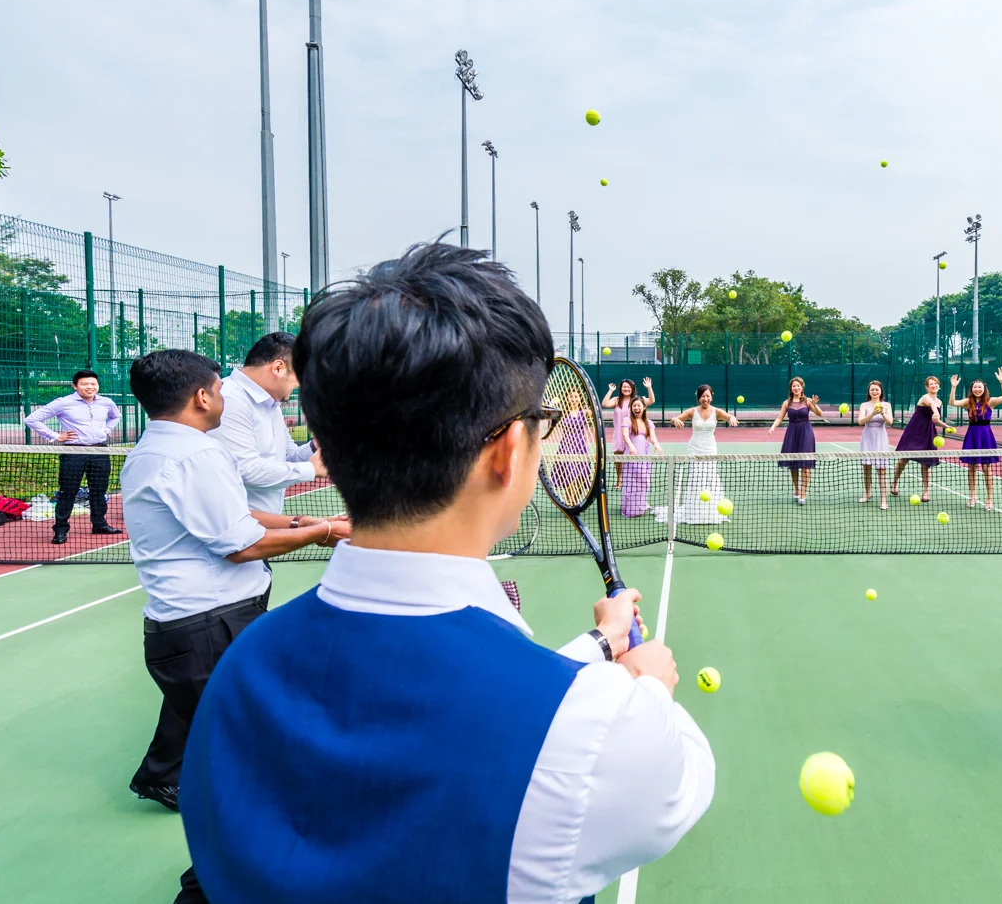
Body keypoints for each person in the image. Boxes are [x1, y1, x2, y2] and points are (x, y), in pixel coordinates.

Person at [180, 243, 714, 904]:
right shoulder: (594, 731)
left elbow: (459, 706)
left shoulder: (238, 669)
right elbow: (671, 775)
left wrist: (601, 648)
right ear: (509, 450)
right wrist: (648, 684)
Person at [120, 349, 350, 904]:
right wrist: (324, 533)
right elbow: (241, 544)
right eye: (218, 389)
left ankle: (189, 820)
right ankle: (210, 886)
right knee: (251, 764)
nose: (223, 396)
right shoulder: (195, 454)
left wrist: (305, 520)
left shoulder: (156, 449)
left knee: (237, 753)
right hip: (208, 627)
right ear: (202, 397)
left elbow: (236, 516)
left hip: (198, 626)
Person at [207, 332, 327, 514]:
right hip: (233, 523)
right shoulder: (229, 399)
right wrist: (310, 469)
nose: (302, 384)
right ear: (278, 368)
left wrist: (315, 445)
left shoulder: (271, 403)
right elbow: (246, 470)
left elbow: (288, 456)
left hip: (260, 522)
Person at [23, 369, 123, 544]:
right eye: (84, 384)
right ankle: (60, 530)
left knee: (99, 491)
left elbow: (116, 416)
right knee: (68, 491)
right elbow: (32, 419)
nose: (90, 387)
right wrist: (55, 436)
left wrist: (107, 430)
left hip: (100, 451)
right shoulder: (63, 403)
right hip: (73, 453)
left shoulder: (106, 402)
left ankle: (99, 524)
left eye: (93, 384)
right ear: (75, 386)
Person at [657, 384, 737, 525]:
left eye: (707, 396)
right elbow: (674, 419)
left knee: (710, 477)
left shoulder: (717, 412)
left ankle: (710, 510)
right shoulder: (692, 411)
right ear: (698, 397)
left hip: (710, 449)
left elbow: (730, 416)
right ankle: (694, 510)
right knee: (696, 477)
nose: (705, 399)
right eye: (702, 396)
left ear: (711, 396)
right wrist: (676, 420)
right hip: (695, 448)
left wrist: (732, 418)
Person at [950, 368, 1002, 510]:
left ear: (984, 389)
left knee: (986, 468)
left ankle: (989, 499)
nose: (977, 389)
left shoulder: (990, 402)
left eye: (980, 387)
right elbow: (952, 402)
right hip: (972, 435)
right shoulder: (968, 402)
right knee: (971, 468)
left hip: (986, 436)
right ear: (972, 389)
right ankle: (973, 496)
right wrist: (953, 387)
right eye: (975, 387)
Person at [891, 376, 957, 503]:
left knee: (926, 464)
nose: (934, 385)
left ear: (939, 386)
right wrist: (936, 413)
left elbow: (935, 419)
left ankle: (926, 491)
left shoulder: (939, 402)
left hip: (928, 432)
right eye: (931, 384)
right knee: (904, 459)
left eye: (936, 383)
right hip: (914, 431)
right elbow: (932, 405)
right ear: (927, 387)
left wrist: (946, 426)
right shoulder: (925, 398)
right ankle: (894, 483)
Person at [769, 377, 823, 504]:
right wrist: (773, 426)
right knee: (793, 464)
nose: (796, 388)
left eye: (798, 386)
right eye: (794, 386)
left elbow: (820, 413)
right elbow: (779, 418)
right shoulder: (786, 403)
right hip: (792, 433)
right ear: (791, 388)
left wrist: (814, 404)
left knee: (805, 463)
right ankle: (797, 489)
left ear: (802, 387)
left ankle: (804, 492)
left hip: (806, 433)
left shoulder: (808, 401)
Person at [601, 377, 654, 489]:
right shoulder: (616, 400)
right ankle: (620, 479)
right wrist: (610, 390)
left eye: (629, 387)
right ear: (621, 388)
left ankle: (634, 479)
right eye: (624, 387)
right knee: (618, 456)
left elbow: (651, 401)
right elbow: (604, 403)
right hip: (619, 433)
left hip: (633, 433)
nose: (626, 389)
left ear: (632, 388)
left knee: (633, 456)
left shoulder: (636, 400)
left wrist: (649, 388)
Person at [618, 396, 662, 517]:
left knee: (644, 481)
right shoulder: (626, 421)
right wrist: (631, 446)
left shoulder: (649, 422)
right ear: (631, 408)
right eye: (634, 405)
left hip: (645, 455)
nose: (636, 408)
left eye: (639, 405)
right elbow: (625, 436)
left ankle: (641, 504)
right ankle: (631, 509)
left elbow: (652, 437)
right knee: (632, 481)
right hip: (632, 455)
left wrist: (657, 444)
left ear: (644, 407)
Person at [855, 380, 894, 510]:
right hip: (867, 438)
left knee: (882, 470)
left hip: (881, 438)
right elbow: (860, 422)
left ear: (881, 391)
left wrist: (882, 412)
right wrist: (872, 413)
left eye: (877, 389)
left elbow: (890, 422)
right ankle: (867, 493)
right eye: (872, 389)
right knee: (866, 468)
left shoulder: (886, 405)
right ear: (869, 392)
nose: (874, 391)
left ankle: (884, 500)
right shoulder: (864, 405)